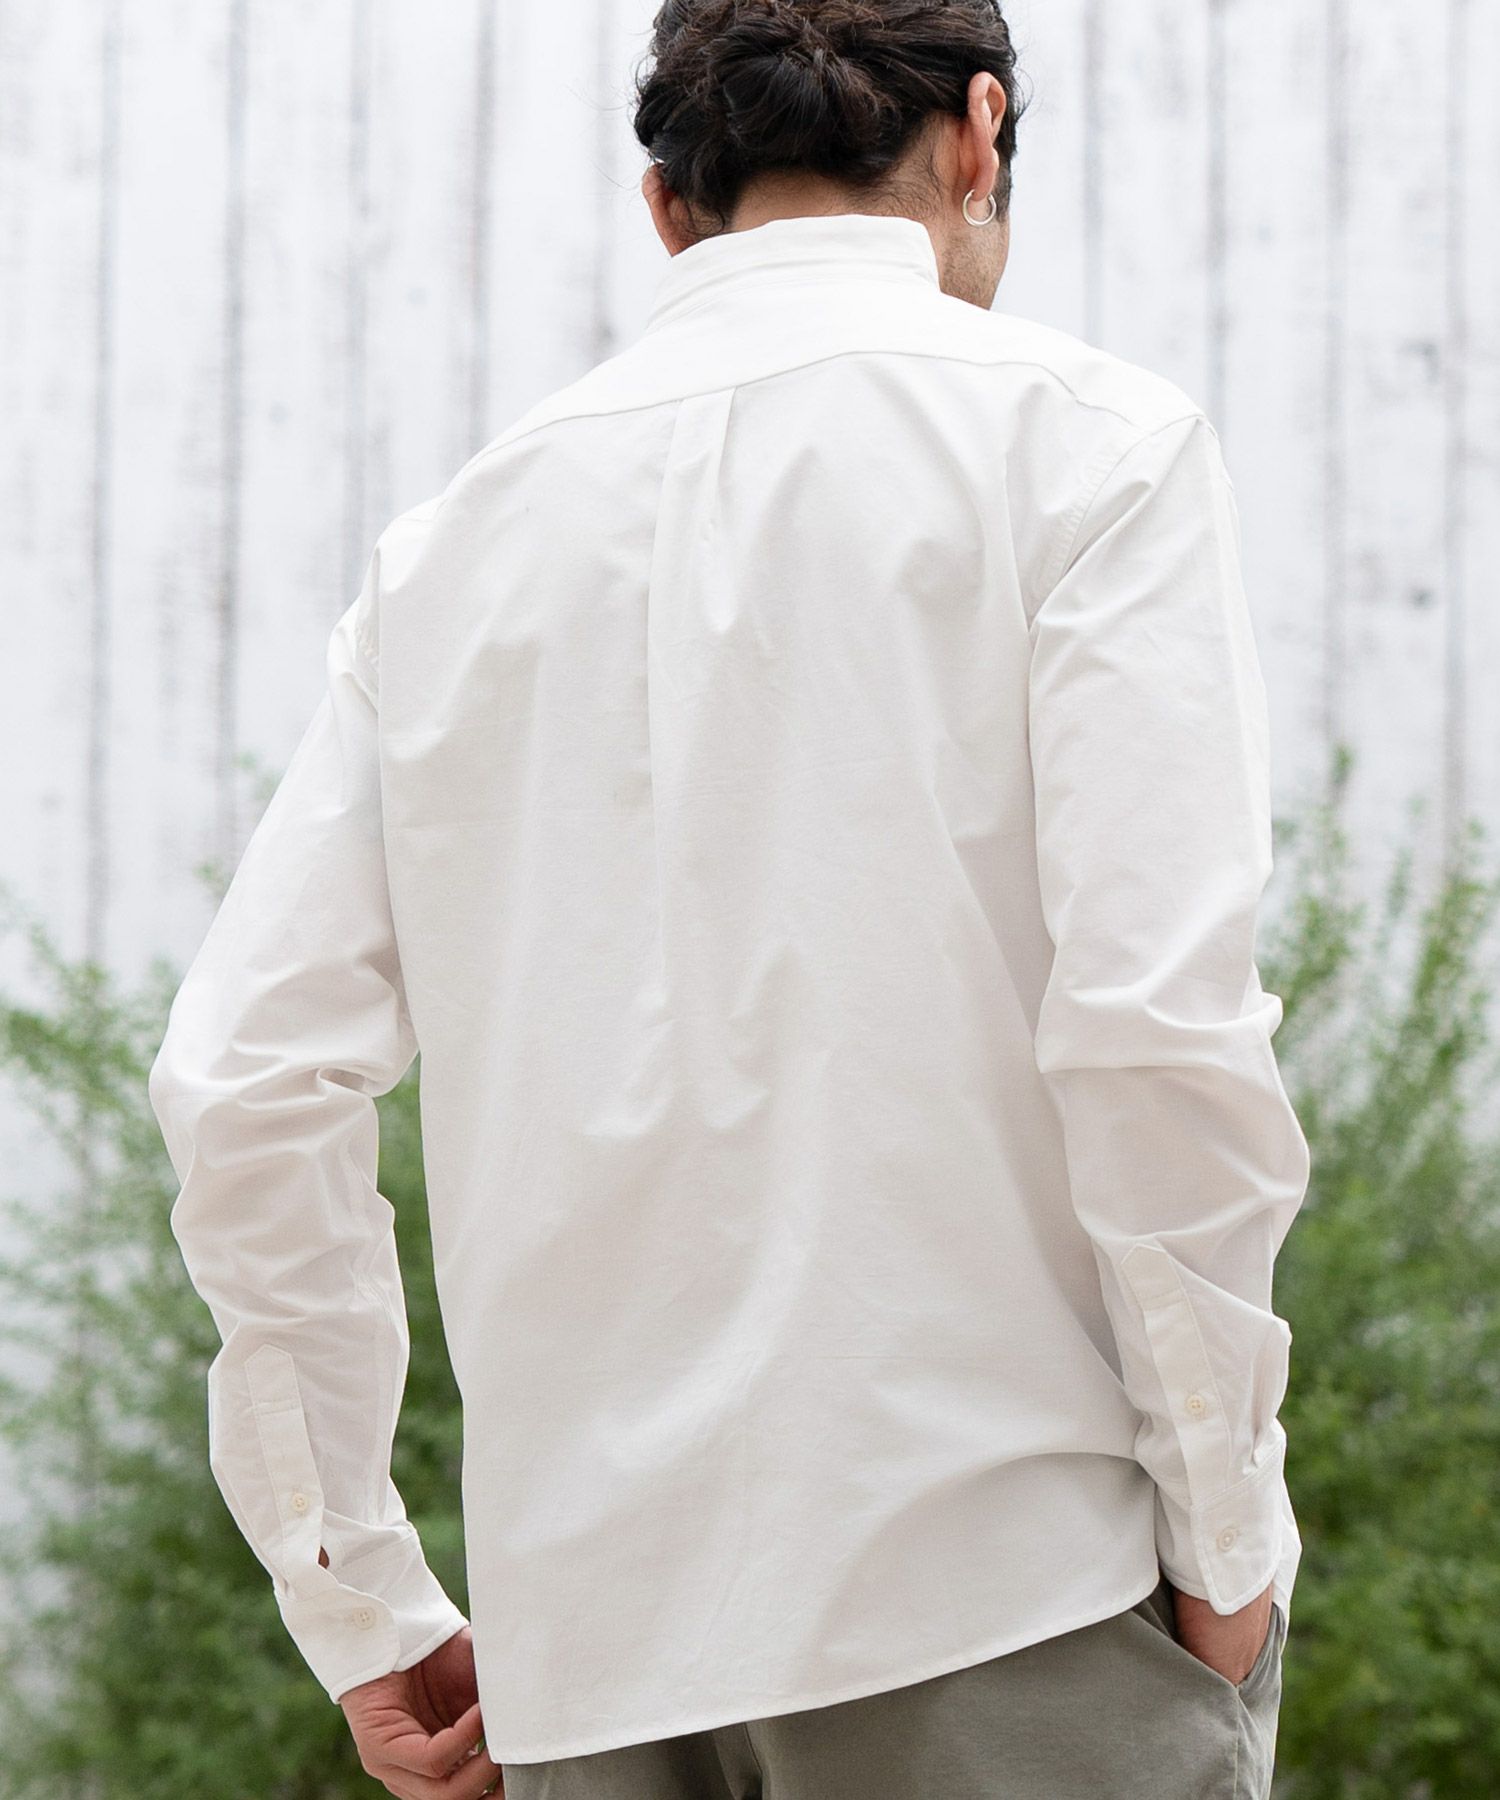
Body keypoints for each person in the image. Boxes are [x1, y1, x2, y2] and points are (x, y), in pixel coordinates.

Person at [147, 2, 1311, 1795]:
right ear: (979, 131)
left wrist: (360, 1595)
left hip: (593, 1669)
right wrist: (1229, 1538)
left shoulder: (453, 551)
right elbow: (1157, 1037)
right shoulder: (1091, 452)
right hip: (1006, 1605)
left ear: (667, 204)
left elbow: (243, 1092)